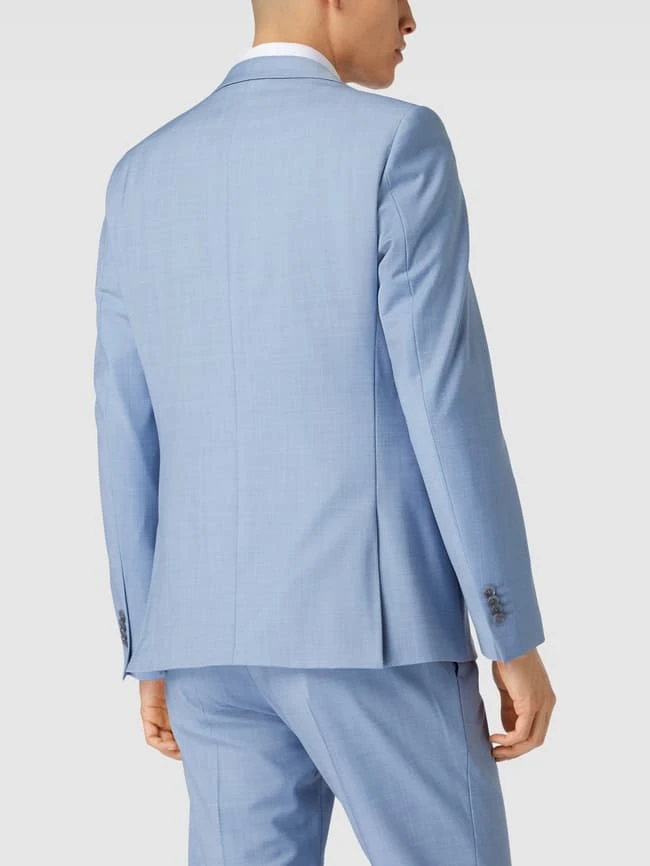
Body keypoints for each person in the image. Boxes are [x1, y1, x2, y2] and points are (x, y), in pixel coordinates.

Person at [92, 1, 556, 863]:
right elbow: (443, 399)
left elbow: (123, 421)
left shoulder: (141, 172)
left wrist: (149, 642)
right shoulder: (395, 143)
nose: (411, 16)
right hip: (371, 632)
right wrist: (508, 630)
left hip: (203, 648)